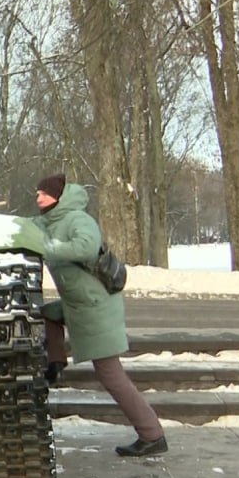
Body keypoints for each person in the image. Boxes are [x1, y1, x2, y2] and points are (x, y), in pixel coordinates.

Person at [33, 173, 167, 457]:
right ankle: (55, 364)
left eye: (43, 193)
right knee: (47, 314)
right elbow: (21, 229)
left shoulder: (78, 219)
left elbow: (86, 247)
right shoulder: (47, 222)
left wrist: (49, 248)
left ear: (58, 197)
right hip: (77, 304)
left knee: (110, 374)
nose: (38, 197)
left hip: (96, 306)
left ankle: (152, 435)